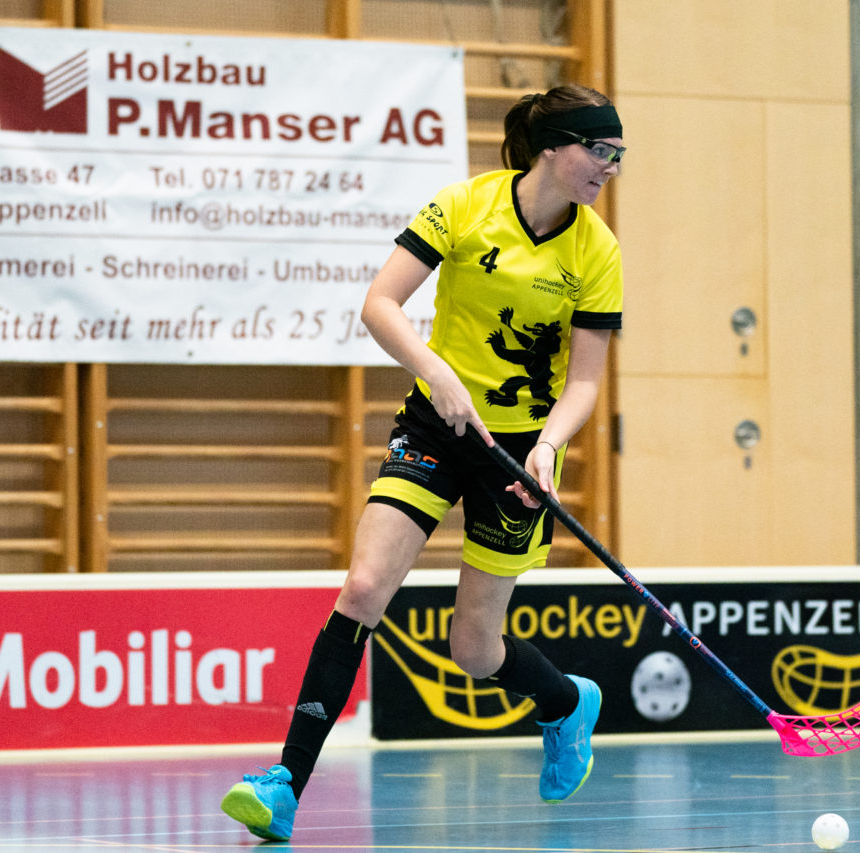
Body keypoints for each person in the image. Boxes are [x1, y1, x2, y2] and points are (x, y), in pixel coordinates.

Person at [220, 83, 625, 842]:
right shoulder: (466, 205)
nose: (609, 167)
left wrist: (547, 445)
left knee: (474, 650)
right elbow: (380, 302)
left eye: (617, 155)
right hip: (438, 426)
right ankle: (282, 785)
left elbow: (587, 380)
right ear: (556, 148)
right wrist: (434, 370)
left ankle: (566, 702)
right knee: (365, 584)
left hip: (517, 455)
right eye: (600, 151)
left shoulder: (596, 251)